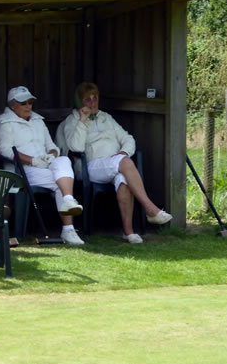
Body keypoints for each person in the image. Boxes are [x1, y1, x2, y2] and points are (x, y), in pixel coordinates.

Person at [59, 82, 172, 244]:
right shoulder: (72, 121)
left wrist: (124, 151)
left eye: (95, 98)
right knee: (124, 163)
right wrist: (82, 121)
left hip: (115, 163)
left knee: (124, 179)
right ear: (79, 102)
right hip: (91, 166)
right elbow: (75, 146)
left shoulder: (106, 118)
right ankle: (150, 208)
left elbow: (127, 138)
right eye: (87, 100)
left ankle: (128, 232)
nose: (92, 103)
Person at [0, 85, 85, 245]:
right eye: (24, 103)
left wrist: (51, 155)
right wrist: (33, 160)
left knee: (64, 160)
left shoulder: (37, 120)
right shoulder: (5, 122)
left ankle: (69, 200)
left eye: (30, 102)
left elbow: (52, 145)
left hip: (45, 164)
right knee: (61, 183)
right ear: (12, 105)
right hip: (24, 170)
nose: (28, 106)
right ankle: (68, 229)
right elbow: (6, 151)